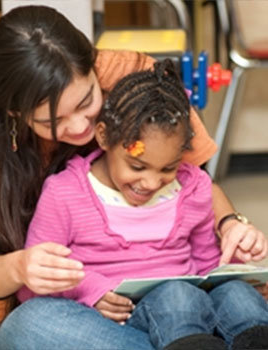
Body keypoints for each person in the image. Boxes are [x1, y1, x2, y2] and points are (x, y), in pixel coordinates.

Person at [0, 5, 266, 350]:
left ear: (93, 68)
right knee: (30, 326)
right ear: (14, 113)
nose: (80, 127)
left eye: (87, 101)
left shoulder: (135, 80)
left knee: (227, 300)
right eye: (52, 121)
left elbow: (194, 183)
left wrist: (230, 224)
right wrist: (21, 268)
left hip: (181, 310)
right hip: (76, 319)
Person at [17, 61, 268, 350]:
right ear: (103, 137)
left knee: (239, 297)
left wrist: (241, 272)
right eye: (137, 166)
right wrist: (89, 290)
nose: (150, 182)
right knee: (175, 296)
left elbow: (208, 265)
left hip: (192, 310)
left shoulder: (193, 187)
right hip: (119, 320)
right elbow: (34, 284)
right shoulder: (64, 193)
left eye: (168, 168)